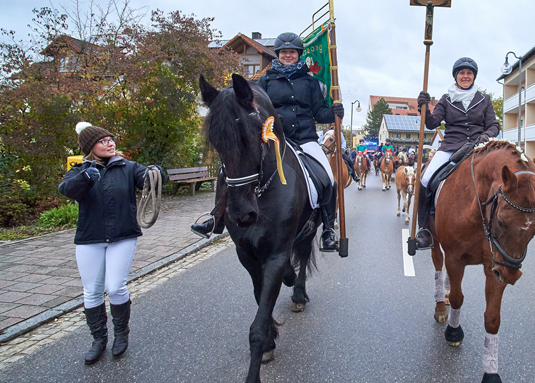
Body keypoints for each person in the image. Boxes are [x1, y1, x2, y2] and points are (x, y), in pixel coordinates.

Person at [192, 32, 344, 252]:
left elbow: (319, 113)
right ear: (278, 54)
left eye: (292, 52)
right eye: (284, 52)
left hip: (304, 140)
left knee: (328, 178)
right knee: (231, 168)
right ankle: (216, 217)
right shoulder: (266, 80)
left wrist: (334, 113)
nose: (288, 55)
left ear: (299, 54)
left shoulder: (311, 83)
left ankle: (328, 230)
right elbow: (256, 109)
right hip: (272, 139)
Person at [59, 122, 165, 364]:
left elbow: (149, 179)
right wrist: (86, 177)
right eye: (103, 141)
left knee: (116, 287)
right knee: (92, 291)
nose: (110, 143)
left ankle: (121, 334)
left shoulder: (128, 167)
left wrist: (157, 171)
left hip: (122, 236)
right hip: (90, 238)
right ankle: (98, 339)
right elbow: (66, 190)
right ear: (90, 147)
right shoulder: (79, 169)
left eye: (111, 139)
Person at [414, 57, 500, 249]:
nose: (465, 76)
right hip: (451, 147)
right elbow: (432, 123)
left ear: (474, 76)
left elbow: (494, 125)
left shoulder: (484, 99)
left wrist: (485, 136)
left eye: (469, 73)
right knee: (426, 179)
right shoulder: (446, 99)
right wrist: (425, 108)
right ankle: (424, 229)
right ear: (456, 77)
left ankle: (499, 225)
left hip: (479, 147)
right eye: (462, 73)